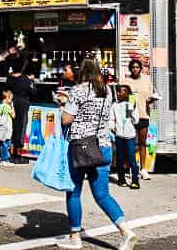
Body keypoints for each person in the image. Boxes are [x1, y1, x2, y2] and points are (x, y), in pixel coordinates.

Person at [57, 58, 137, 250]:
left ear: (81, 73)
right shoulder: (107, 91)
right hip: (103, 146)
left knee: (74, 192)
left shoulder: (77, 91)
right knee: (102, 195)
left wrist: (62, 104)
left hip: (81, 148)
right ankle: (126, 231)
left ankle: (75, 236)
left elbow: (66, 120)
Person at [125, 59, 154, 179]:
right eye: (133, 67)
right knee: (130, 142)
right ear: (130, 69)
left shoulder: (147, 80)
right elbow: (122, 96)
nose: (135, 69)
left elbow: (151, 96)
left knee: (142, 142)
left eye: (137, 67)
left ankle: (143, 169)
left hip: (143, 114)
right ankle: (131, 168)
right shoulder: (126, 80)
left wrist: (151, 99)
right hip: (130, 115)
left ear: (140, 68)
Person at [6, 55, 33, 163]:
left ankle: (10, 152)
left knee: (11, 127)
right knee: (20, 127)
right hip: (23, 104)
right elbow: (32, 91)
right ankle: (17, 154)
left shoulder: (9, 78)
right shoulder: (25, 79)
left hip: (12, 103)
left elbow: (6, 90)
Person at [112, 84, 141, 189]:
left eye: (122, 91)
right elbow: (111, 118)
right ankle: (121, 179)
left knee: (131, 158)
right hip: (119, 135)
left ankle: (135, 181)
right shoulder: (115, 105)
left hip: (130, 136)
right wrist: (112, 127)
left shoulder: (131, 105)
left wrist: (132, 110)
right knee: (119, 158)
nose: (119, 93)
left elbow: (136, 121)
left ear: (128, 94)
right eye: (118, 91)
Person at [0, 90, 16, 167]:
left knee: (2, 144)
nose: (11, 100)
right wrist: (12, 106)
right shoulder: (7, 107)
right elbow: (13, 116)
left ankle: (3, 159)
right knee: (6, 144)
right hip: (7, 128)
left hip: (0, 128)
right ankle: (5, 159)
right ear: (7, 98)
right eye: (11, 99)